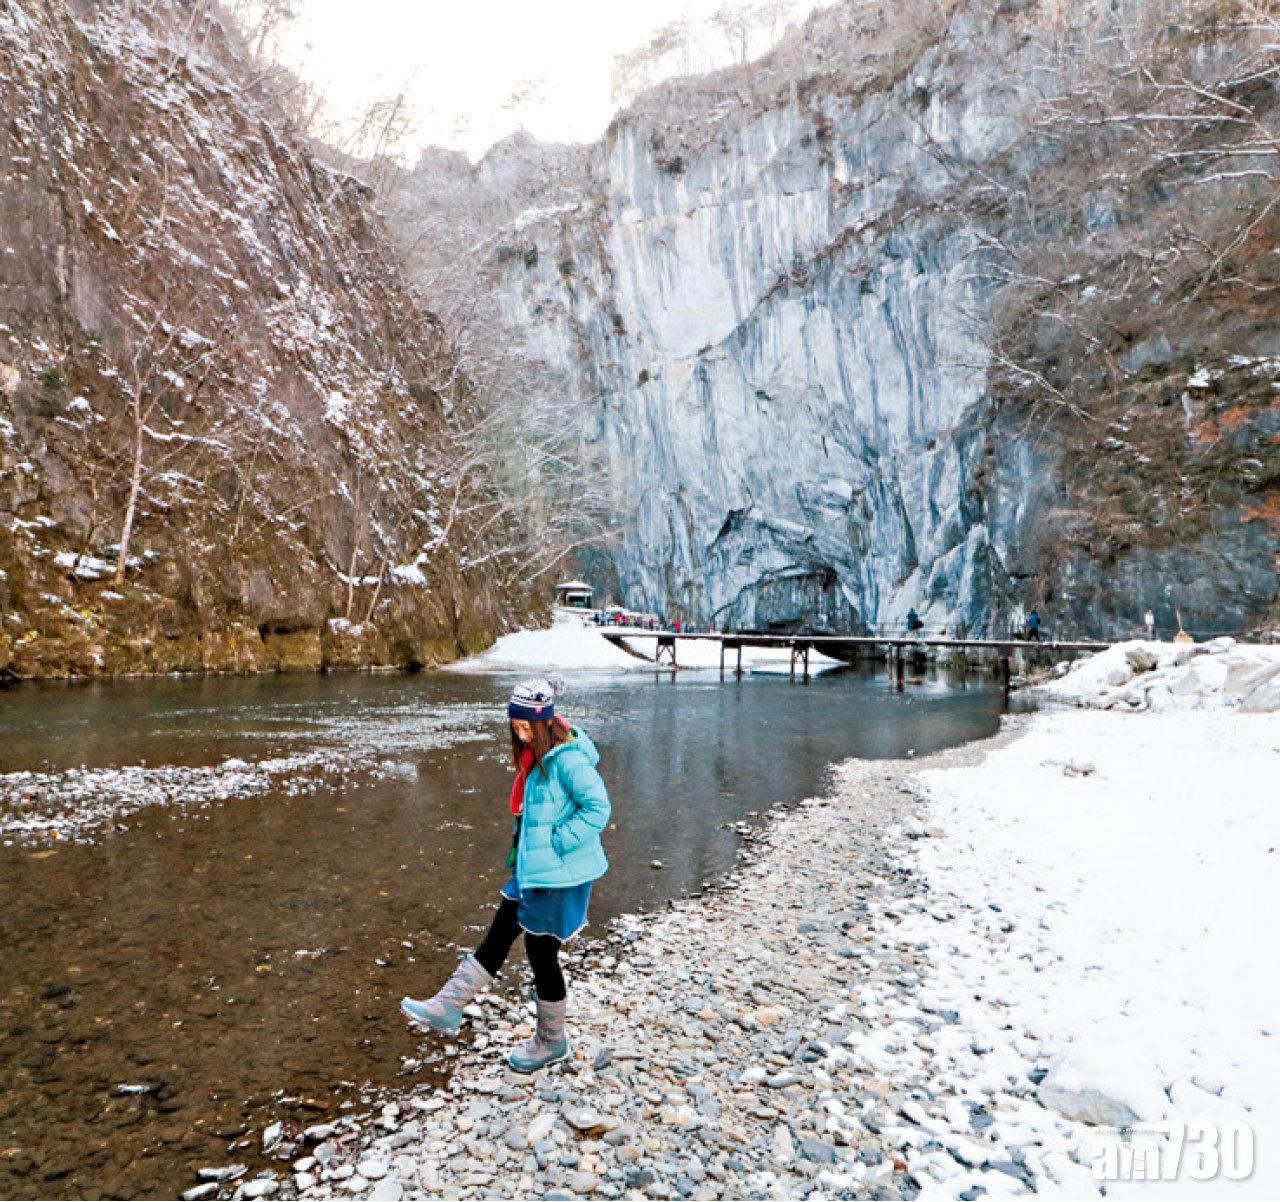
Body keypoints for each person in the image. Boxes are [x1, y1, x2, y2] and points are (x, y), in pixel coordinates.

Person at [400, 678, 611, 1072]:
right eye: (515, 726)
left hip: (556, 876)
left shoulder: (567, 760)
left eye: (527, 726)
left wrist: (557, 842)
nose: (520, 733)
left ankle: (552, 1041)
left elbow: (598, 809)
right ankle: (448, 1005)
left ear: (546, 722)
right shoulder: (538, 757)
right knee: (500, 931)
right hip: (533, 869)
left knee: (541, 954)